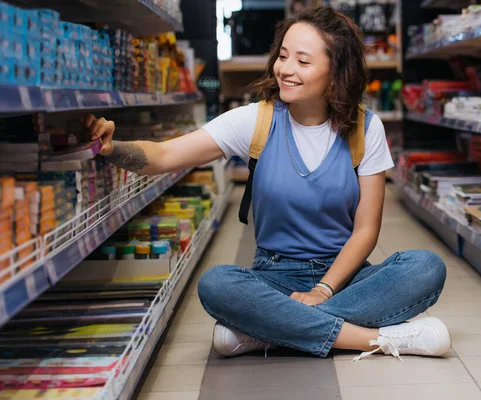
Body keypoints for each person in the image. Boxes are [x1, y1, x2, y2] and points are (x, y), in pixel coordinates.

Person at [85, 6, 451, 361]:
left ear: (336, 73)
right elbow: (165, 156)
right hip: (274, 276)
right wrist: (113, 147)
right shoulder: (255, 122)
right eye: (283, 56)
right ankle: (374, 339)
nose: (286, 70)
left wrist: (323, 290)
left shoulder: (366, 129)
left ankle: (267, 331)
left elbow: (366, 231)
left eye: (303, 62)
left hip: (345, 275)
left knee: (425, 266)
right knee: (216, 284)